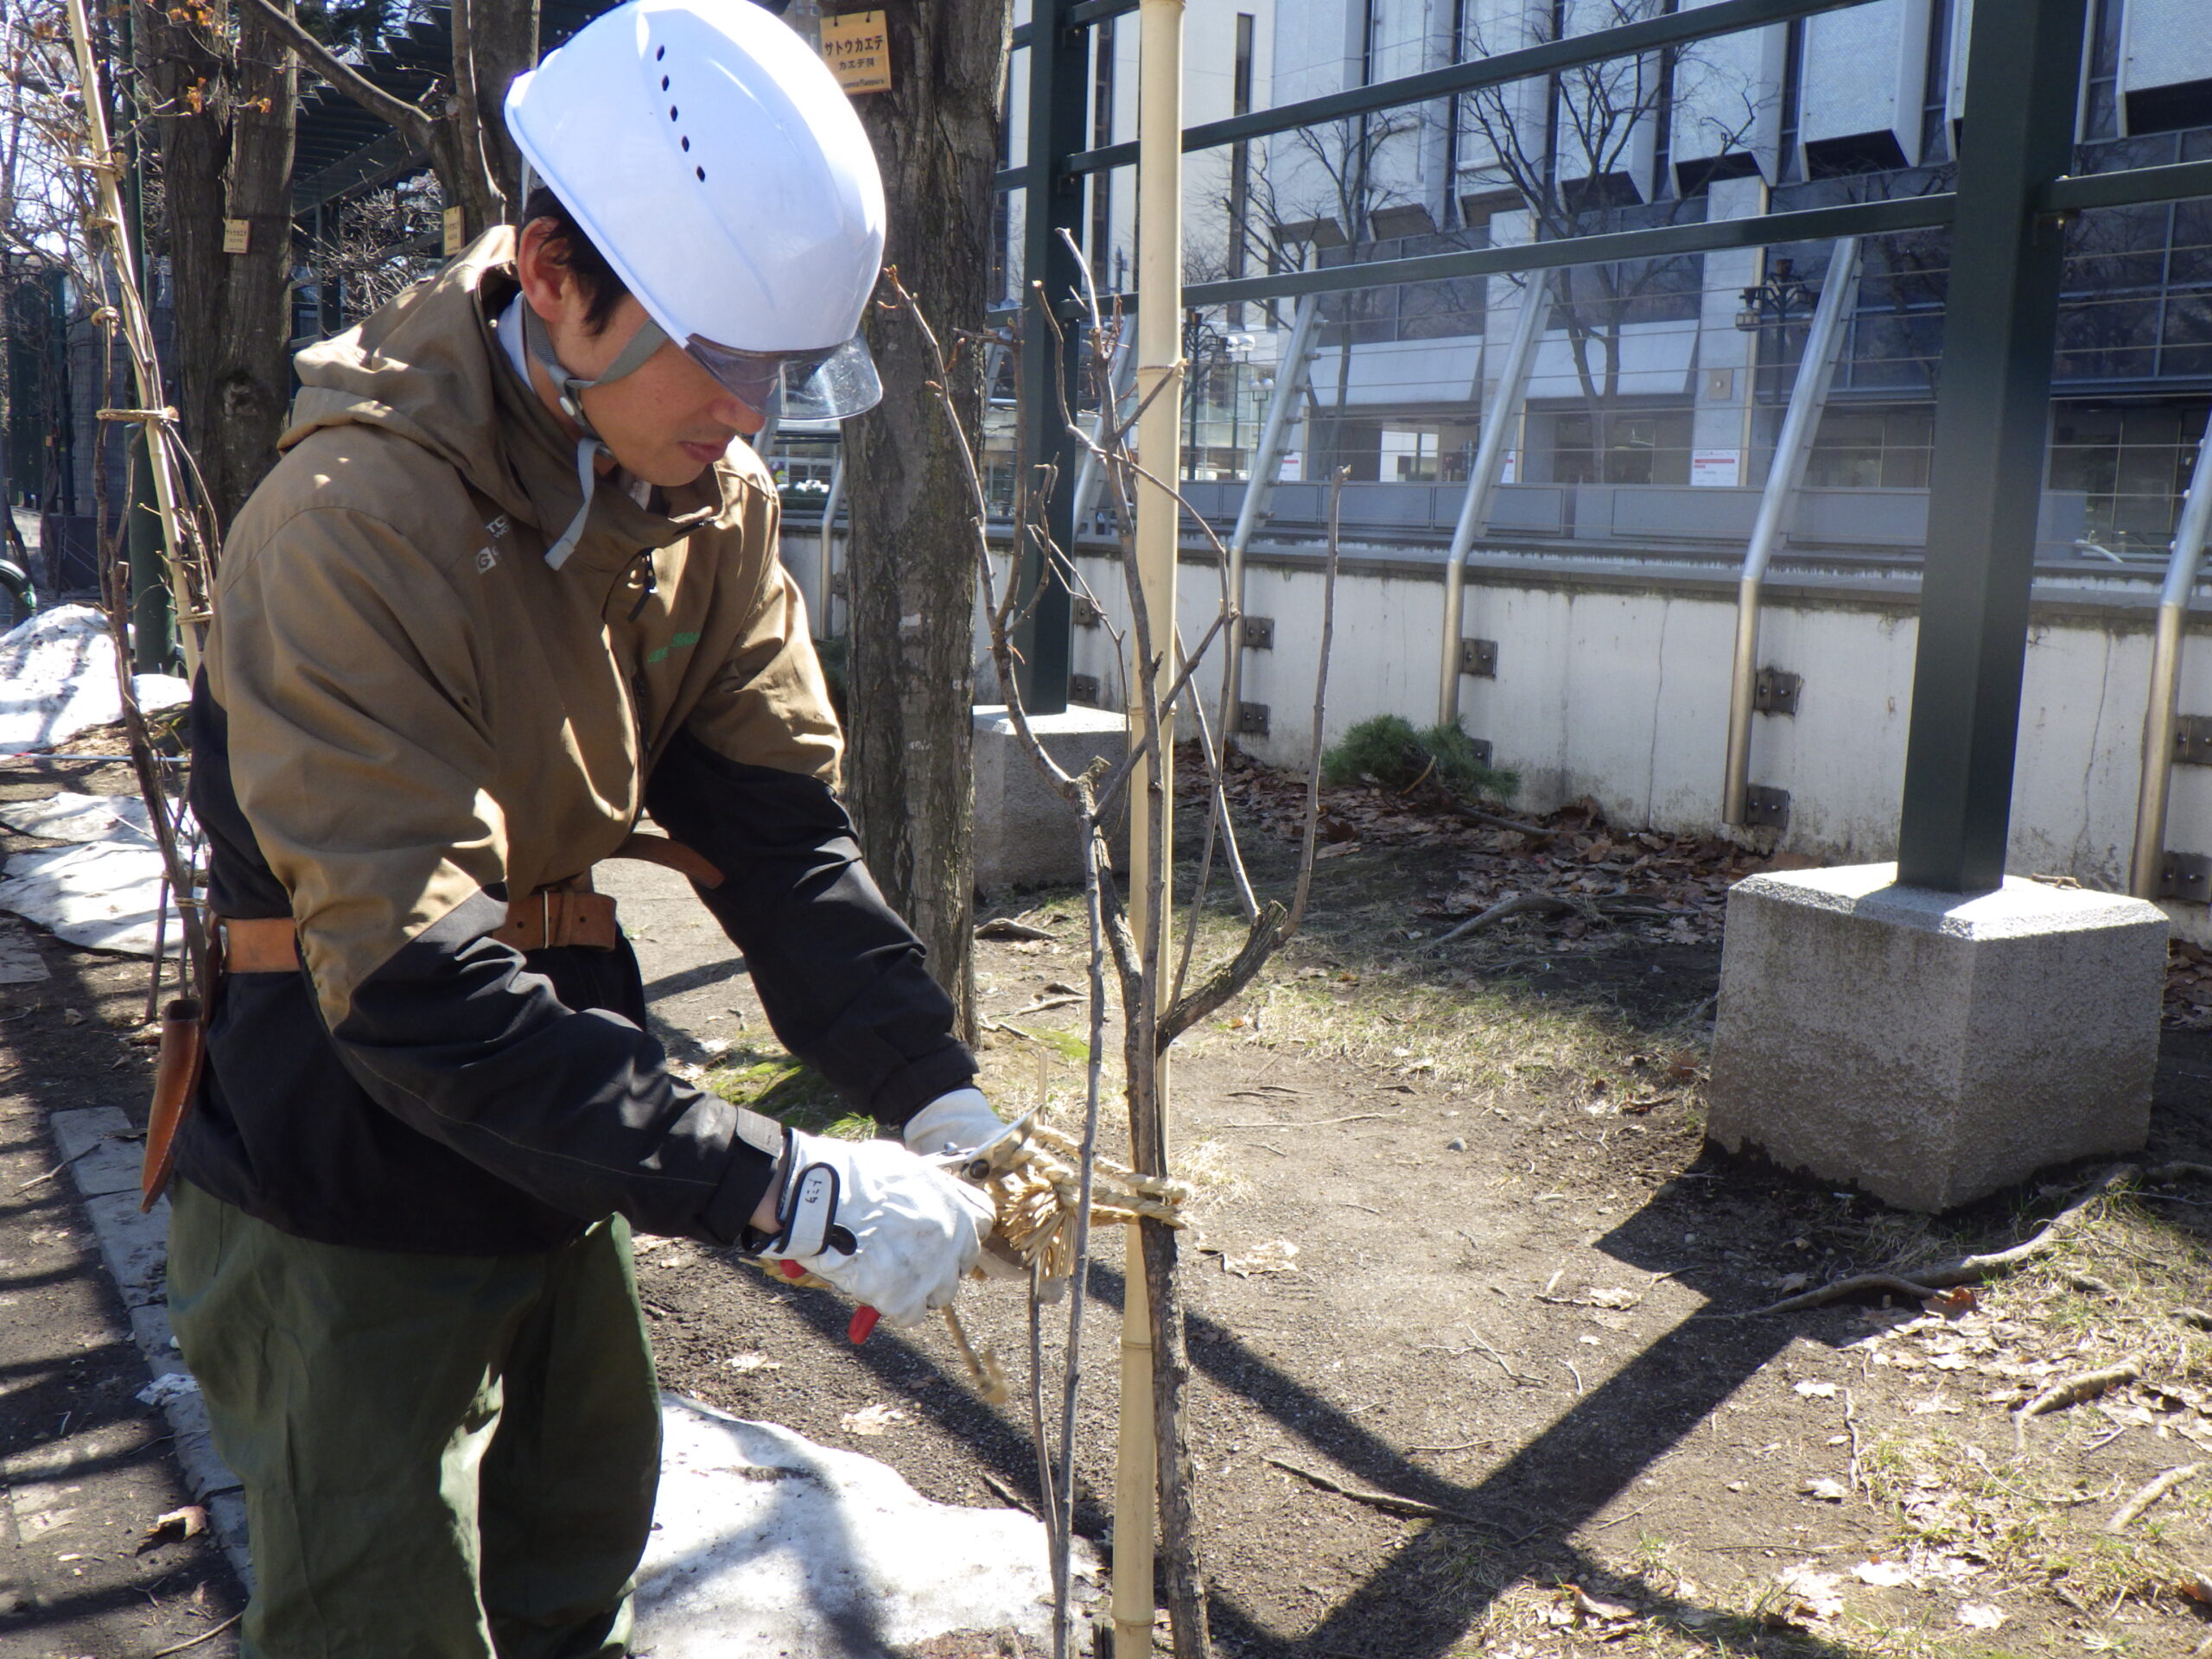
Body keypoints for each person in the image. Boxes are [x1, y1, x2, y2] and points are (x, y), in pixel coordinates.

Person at [164, 3, 1008, 1653]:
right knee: (375, 1611)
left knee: (579, 1561)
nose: (757, 413)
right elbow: (409, 987)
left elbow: (774, 830)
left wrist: (933, 1086)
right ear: (554, 275)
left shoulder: (694, 497)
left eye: (792, 370)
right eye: (729, 356)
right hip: (337, 1145)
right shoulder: (353, 529)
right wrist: (783, 1192)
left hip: (553, 1115)